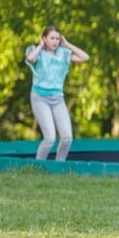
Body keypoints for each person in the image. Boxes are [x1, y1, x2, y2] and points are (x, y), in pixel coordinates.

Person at [24, 25, 90, 161]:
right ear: (44, 38)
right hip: (40, 98)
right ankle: (38, 166)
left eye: (57, 39)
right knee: (50, 139)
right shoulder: (38, 53)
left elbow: (85, 57)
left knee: (67, 138)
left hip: (57, 99)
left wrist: (67, 44)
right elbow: (30, 59)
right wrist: (40, 46)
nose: (55, 41)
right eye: (52, 38)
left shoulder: (63, 54)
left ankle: (59, 166)